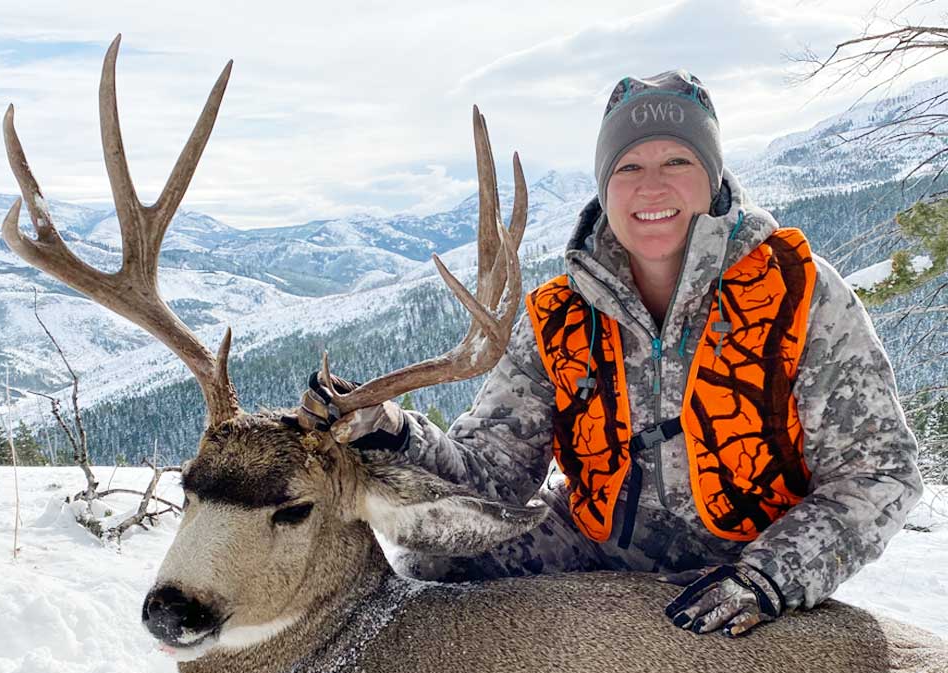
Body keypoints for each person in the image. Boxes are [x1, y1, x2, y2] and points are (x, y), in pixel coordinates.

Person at [300, 70, 923, 638]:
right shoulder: (559, 315)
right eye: (628, 167)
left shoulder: (798, 292)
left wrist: (771, 575)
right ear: (605, 187)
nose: (652, 186)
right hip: (595, 542)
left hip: (747, 557)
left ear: (713, 177)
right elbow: (493, 472)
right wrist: (390, 432)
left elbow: (880, 472)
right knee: (437, 554)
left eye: (677, 160)